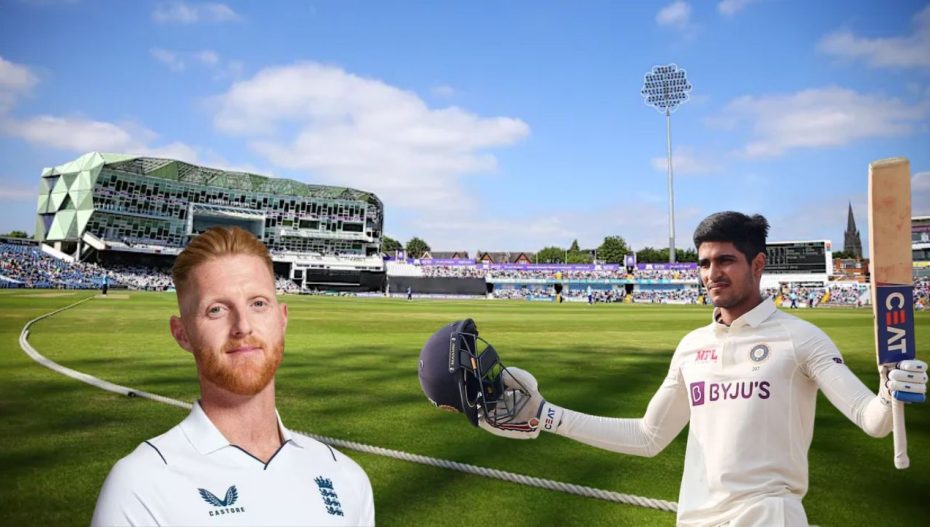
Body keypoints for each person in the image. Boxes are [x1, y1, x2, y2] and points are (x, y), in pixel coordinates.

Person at [478, 212, 926, 527]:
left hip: (767, 517)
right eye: (705, 263)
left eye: (725, 260)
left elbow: (873, 420)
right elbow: (648, 437)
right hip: (694, 518)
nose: (712, 273)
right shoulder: (692, 347)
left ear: (757, 264)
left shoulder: (801, 338)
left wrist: (892, 390)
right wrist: (546, 415)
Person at [92, 227, 374, 526]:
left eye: (258, 304)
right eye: (216, 310)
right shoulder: (141, 484)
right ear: (182, 334)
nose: (243, 326)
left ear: (282, 319)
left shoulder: (346, 477)